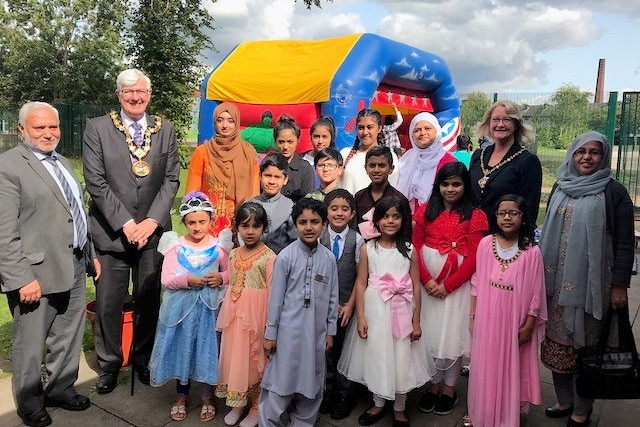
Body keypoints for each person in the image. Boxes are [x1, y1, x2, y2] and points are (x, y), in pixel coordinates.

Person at [0, 102, 99, 427]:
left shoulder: (63, 162)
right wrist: (20, 279)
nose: (48, 133)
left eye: (52, 127)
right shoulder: (9, 167)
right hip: (34, 275)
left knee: (68, 335)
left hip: (72, 264)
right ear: (22, 130)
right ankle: (29, 402)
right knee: (30, 343)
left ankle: (60, 388)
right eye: (39, 127)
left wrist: (91, 255)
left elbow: (76, 212)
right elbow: (4, 232)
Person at [83, 68, 180, 393]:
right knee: (109, 303)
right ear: (118, 95)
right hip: (111, 235)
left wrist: (151, 221)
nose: (135, 97)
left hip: (151, 234)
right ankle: (109, 365)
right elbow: (95, 181)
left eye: (140, 91)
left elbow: (170, 179)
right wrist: (126, 223)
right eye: (128, 92)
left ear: (149, 94)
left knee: (149, 299)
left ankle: (143, 360)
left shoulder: (164, 129)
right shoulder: (97, 128)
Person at [539, 132, 634, 427]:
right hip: (555, 286)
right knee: (558, 347)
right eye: (581, 151)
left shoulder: (613, 192)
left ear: (603, 157)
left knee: (587, 351)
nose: (586, 157)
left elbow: (625, 242)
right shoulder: (559, 185)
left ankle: (582, 409)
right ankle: (565, 400)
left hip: (594, 289)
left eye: (594, 152)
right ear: (571, 154)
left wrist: (619, 284)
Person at [338, 197, 431, 427]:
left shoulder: (409, 249)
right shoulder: (368, 248)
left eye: (396, 216)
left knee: (401, 356)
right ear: (377, 220)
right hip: (375, 310)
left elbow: (416, 286)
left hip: (402, 310)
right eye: (385, 216)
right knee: (378, 355)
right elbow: (361, 283)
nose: (390, 221)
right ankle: (378, 402)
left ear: (403, 219)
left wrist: (416, 320)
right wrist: (360, 316)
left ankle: (399, 407)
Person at [412, 162, 488, 416]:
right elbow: (416, 245)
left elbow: (476, 255)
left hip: (457, 283)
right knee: (432, 333)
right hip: (428, 282)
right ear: (438, 186)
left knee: (452, 334)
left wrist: (449, 285)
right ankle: (433, 385)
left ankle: (449, 387)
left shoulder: (475, 215)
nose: (450, 189)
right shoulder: (425, 211)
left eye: (456, 184)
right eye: (445, 184)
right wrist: (426, 280)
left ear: (465, 186)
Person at [465, 195, 547, 427]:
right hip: (487, 318)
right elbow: (477, 282)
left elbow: (536, 292)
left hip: (515, 319)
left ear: (523, 217)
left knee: (511, 366)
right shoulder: (485, 244)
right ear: (496, 216)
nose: (507, 218)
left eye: (514, 213)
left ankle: (506, 417)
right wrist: (473, 316)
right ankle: (483, 412)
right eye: (502, 213)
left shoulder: (531, 251)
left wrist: (529, 323)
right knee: (486, 365)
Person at [258, 198, 339, 427]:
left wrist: (330, 331)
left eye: (315, 221)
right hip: (287, 334)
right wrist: (271, 334)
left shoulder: (328, 259)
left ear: (324, 224)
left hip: (316, 335)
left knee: (311, 385)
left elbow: (332, 297)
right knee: (280, 383)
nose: (309, 227)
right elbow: (276, 300)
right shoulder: (285, 257)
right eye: (302, 222)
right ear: (295, 225)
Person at [149, 192, 229, 422]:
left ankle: (207, 395)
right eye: (191, 222)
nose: (197, 227)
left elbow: (230, 273)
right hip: (181, 313)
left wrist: (221, 278)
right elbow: (166, 278)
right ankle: (181, 395)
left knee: (206, 350)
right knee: (183, 350)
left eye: (202, 222)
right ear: (184, 222)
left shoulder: (219, 247)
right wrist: (186, 281)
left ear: (211, 220)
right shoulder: (176, 247)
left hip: (208, 312)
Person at [216, 202, 276, 427]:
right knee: (235, 358)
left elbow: (273, 293)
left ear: (263, 228)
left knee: (254, 361)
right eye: (245, 226)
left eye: (256, 226)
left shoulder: (269, 257)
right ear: (237, 228)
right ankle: (237, 403)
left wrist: (271, 326)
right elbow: (231, 281)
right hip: (234, 318)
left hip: (256, 319)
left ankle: (255, 406)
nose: (250, 232)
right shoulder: (232, 255)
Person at [318, 189, 365, 420]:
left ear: (352, 213)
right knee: (326, 350)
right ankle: (326, 391)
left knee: (346, 349)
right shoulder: (318, 237)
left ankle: (345, 393)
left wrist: (349, 305)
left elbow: (360, 277)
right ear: (326, 212)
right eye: (334, 208)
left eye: (344, 209)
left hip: (348, 306)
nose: (339, 213)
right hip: (323, 306)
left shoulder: (357, 240)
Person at [186, 102, 261, 236]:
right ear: (215, 122)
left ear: (237, 122)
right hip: (207, 225)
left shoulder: (248, 152)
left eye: (230, 121)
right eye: (220, 120)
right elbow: (192, 194)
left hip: (240, 223)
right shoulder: (202, 152)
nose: (225, 125)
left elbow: (254, 193)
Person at [468, 100, 542, 228]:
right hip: (473, 233)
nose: (500, 124)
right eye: (495, 119)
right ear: (489, 123)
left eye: (507, 120)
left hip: (505, 237)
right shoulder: (478, 155)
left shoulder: (528, 161)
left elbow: (529, 208)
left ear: (516, 124)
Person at [397, 112, 457, 213]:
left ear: (437, 131)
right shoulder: (406, 158)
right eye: (417, 130)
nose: (422, 133)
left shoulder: (449, 162)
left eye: (427, 128)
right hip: (405, 219)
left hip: (436, 219)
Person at [354, 145, 412, 239]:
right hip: (363, 250)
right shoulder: (359, 197)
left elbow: (406, 232)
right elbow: (354, 230)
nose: (376, 170)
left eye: (382, 166)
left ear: (391, 169)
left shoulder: (400, 199)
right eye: (372, 166)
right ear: (366, 168)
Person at [340, 108, 400, 195]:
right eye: (361, 128)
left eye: (370, 127)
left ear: (379, 128)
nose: (365, 132)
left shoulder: (389, 155)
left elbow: (393, 188)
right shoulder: (345, 153)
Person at [251, 152, 297, 254]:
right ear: (260, 176)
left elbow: (295, 243)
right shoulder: (249, 205)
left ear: (285, 180)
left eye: (277, 177)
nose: (271, 181)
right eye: (267, 175)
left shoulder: (290, 208)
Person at [274, 114, 315, 202]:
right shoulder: (269, 165)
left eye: (290, 142)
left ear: (297, 141)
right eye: (281, 142)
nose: (285, 146)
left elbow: (308, 201)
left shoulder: (304, 168)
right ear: (275, 141)